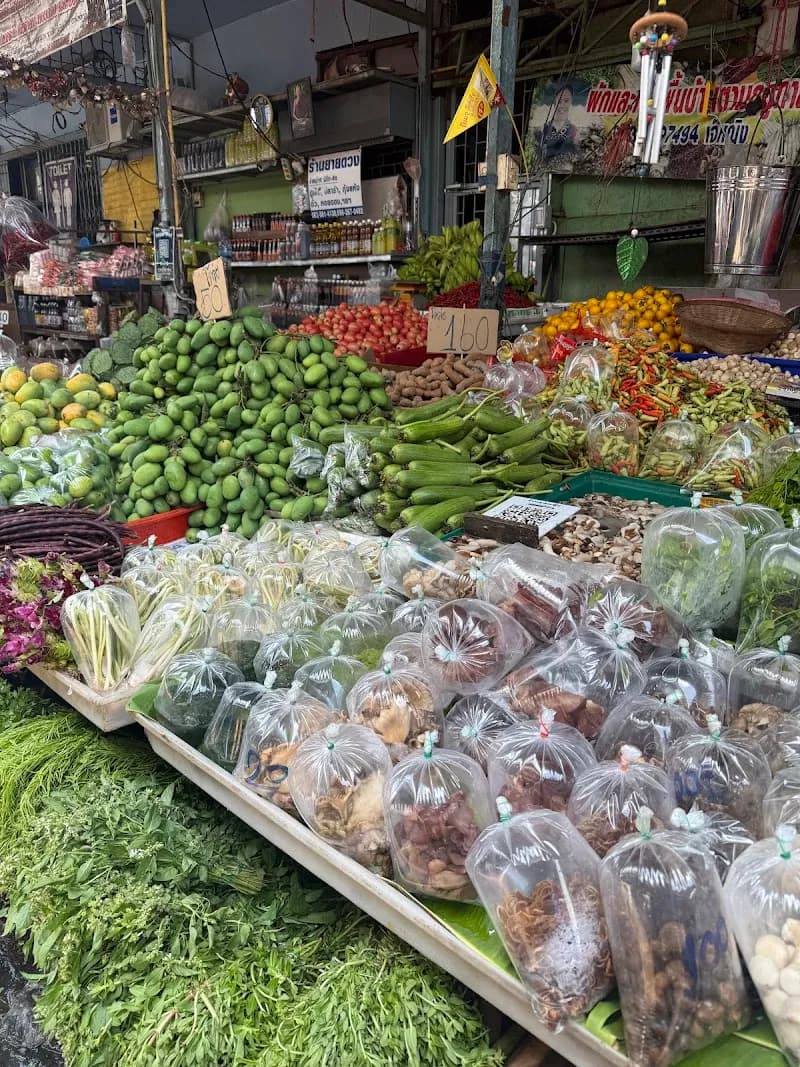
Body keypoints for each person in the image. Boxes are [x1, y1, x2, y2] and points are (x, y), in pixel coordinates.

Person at [539, 84, 580, 163]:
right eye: (559, 101)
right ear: (554, 102)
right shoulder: (544, 128)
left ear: (571, 102)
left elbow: (577, 158)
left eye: (566, 101)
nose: (562, 105)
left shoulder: (574, 131)